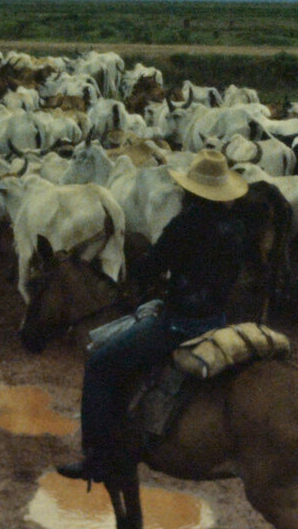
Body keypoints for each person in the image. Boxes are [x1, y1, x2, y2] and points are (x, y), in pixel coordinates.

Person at [57, 150, 252, 484]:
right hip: (216, 322)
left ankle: (97, 457)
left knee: (100, 364)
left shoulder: (186, 223)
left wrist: (149, 280)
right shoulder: (235, 228)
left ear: (191, 190)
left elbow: (150, 266)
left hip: (178, 325)